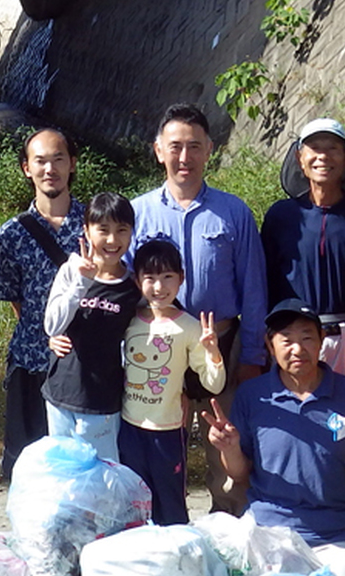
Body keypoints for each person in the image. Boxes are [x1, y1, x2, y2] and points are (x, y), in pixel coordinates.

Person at [131, 103, 268, 515]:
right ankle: (160, 533)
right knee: (157, 447)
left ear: (210, 149)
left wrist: (253, 356)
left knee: (224, 448)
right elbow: (122, 286)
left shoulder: (233, 212)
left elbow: (254, 289)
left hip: (220, 344)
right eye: (175, 146)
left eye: (194, 146)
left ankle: (227, 536)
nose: (184, 157)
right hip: (157, 349)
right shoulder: (138, 213)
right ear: (158, 150)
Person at [202, 298, 345, 575]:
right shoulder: (253, 395)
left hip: (337, 537)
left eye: (307, 338)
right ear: (270, 345)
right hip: (269, 533)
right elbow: (240, 474)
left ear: (322, 340)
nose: (298, 349)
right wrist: (229, 449)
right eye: (286, 340)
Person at [0, 128, 85, 480]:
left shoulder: (96, 224)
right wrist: (42, 329)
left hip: (84, 366)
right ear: (26, 168)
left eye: (58, 159)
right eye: (41, 161)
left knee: (79, 467)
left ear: (72, 164)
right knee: (26, 466)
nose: (50, 169)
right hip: (30, 362)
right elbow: (13, 297)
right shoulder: (12, 233)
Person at [261, 117, 345, 388]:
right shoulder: (281, 216)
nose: (323, 156)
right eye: (314, 148)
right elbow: (263, 282)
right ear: (300, 158)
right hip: (293, 343)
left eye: (333, 148)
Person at [119, 239, 225, 525]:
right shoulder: (128, 320)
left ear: (182, 278)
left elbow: (213, 384)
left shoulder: (190, 327)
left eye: (168, 277)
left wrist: (213, 351)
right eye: (150, 278)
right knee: (133, 500)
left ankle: (177, 556)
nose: (159, 287)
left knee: (170, 501)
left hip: (168, 430)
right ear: (136, 279)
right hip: (128, 426)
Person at [43, 192, 142, 460]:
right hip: (61, 392)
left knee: (101, 474)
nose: (112, 240)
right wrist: (81, 282)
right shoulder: (71, 269)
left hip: (103, 400)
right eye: (103, 230)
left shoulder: (135, 287)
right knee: (62, 473)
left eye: (122, 230)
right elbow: (52, 325)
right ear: (86, 231)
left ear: (132, 233)